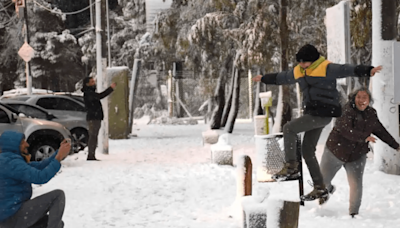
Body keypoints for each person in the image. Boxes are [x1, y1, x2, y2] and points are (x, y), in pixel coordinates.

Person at [252, 44, 382, 201]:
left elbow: (346, 69)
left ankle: (291, 165)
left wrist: (367, 70)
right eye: (299, 62)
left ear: (312, 61)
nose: (301, 65)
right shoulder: (299, 71)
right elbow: (283, 77)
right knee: (307, 150)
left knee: (289, 128)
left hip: (325, 112)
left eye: (304, 62)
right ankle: (320, 187)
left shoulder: (326, 68)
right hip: (312, 113)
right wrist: (265, 78)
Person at [319, 88, 400, 217]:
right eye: (358, 97)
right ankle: (328, 189)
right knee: (322, 182)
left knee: (356, 184)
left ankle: (353, 213)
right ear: (353, 98)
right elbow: (345, 129)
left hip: (357, 155)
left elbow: (381, 131)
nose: (361, 100)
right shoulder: (346, 110)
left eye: (364, 98)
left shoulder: (371, 114)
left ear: (369, 101)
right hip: (335, 152)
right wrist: (364, 137)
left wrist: (396, 146)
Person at [0, 130, 71, 228]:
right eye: (22, 142)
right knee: (58, 196)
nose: (27, 144)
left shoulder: (7, 160)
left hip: (8, 217)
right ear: (13, 145)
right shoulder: (12, 163)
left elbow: (39, 166)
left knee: (50, 222)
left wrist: (59, 153)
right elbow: (40, 177)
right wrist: (58, 159)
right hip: (12, 218)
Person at [81, 77, 116, 161]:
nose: (94, 83)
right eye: (92, 81)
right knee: (93, 136)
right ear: (87, 84)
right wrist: (110, 88)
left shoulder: (90, 92)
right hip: (93, 117)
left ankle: (91, 154)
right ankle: (91, 155)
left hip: (95, 117)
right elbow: (100, 96)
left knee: (93, 136)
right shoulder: (89, 93)